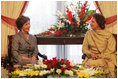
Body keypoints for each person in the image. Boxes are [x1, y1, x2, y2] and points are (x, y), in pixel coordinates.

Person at [82, 13, 117, 78]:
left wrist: (98, 56)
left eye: (93, 22)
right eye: (90, 21)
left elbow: (110, 52)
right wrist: (91, 54)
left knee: (96, 63)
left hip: (105, 58)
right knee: (90, 63)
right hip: (91, 57)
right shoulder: (88, 33)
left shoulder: (108, 35)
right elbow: (84, 49)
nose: (90, 23)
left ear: (99, 23)